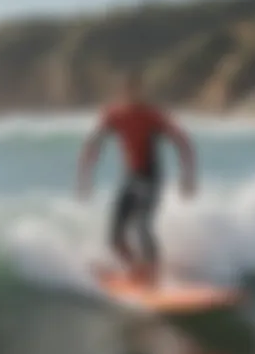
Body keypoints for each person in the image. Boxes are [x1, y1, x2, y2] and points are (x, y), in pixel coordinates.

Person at [76, 71, 196, 285]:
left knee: (142, 226)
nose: (133, 95)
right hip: (130, 179)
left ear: (142, 91)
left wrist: (188, 177)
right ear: (122, 92)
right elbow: (94, 142)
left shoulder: (152, 116)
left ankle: (153, 273)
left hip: (150, 178)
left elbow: (182, 141)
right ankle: (136, 268)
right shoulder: (114, 114)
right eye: (129, 90)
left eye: (137, 90)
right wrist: (85, 177)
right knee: (114, 238)